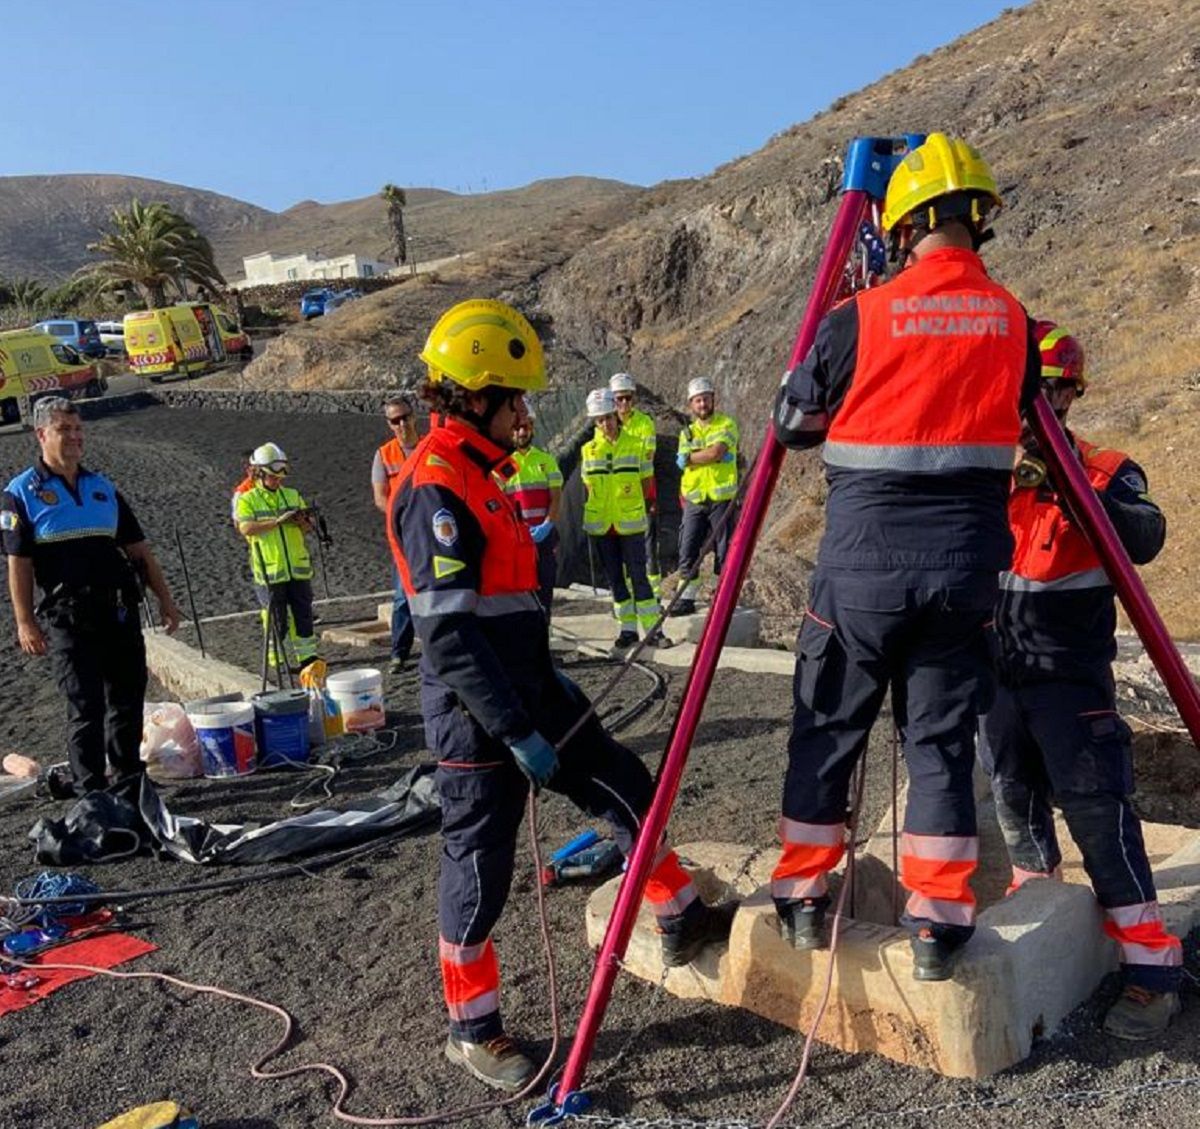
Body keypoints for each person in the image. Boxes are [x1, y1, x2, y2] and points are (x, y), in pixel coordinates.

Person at [388, 298, 732, 1092]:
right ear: (475, 397)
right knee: (481, 866)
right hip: (479, 718)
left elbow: (506, 609)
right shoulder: (433, 488)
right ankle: (471, 1029)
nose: (526, 414)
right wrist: (513, 727)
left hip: (532, 688)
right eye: (515, 398)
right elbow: (447, 636)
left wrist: (545, 684)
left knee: (622, 780)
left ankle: (679, 910)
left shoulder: (482, 476)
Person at [768, 133, 1043, 980]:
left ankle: (806, 896)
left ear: (900, 224)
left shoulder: (860, 318)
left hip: (860, 573)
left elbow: (793, 427)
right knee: (939, 745)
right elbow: (1024, 415)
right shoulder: (1018, 324)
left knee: (827, 730)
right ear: (977, 224)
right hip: (965, 576)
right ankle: (938, 921)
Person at [978, 320, 1181, 1038]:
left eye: (1052, 394)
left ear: (1070, 396)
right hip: (998, 672)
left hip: (1071, 678)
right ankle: (1041, 909)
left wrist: (1069, 487)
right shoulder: (990, 472)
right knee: (1012, 791)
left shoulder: (1105, 468)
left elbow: (1146, 535)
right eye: (1029, 394)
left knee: (1097, 806)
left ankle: (1152, 968)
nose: (1040, 408)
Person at [1, 397, 181, 796]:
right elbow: (19, 564)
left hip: (118, 610)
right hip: (68, 617)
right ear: (42, 434)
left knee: (128, 698)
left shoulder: (103, 488)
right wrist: (25, 621)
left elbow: (140, 551)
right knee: (85, 706)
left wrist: (166, 601)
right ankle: (91, 791)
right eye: (65, 430)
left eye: (78, 429)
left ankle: (131, 780)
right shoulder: (21, 493)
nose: (75, 438)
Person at [581, 388, 667, 655]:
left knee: (639, 576)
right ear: (594, 422)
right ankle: (627, 630)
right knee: (616, 580)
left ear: (616, 416)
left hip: (629, 523)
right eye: (599, 420)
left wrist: (631, 506)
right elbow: (588, 487)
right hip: (602, 526)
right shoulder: (588, 451)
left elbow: (645, 482)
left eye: (608, 417)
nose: (605, 423)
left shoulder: (635, 445)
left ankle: (653, 631)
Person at [234, 442, 319, 674]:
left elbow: (307, 529)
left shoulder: (292, 495)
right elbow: (245, 528)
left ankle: (307, 657)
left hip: (297, 568)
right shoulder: (247, 499)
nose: (277, 480)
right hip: (270, 570)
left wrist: (303, 521)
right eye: (272, 476)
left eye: (280, 476)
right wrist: (278, 522)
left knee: (303, 614)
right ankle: (277, 660)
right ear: (260, 473)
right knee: (277, 619)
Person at [671, 376, 739, 616]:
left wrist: (691, 459)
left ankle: (721, 598)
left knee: (725, 550)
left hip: (721, 499)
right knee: (687, 549)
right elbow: (710, 455)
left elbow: (717, 453)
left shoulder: (726, 425)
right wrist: (706, 455)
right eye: (698, 400)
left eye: (706, 399)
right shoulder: (686, 433)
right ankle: (686, 599)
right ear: (691, 404)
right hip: (695, 500)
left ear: (713, 400)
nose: (702, 404)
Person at [372, 392, 420, 674]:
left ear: (414, 416)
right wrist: (402, 515)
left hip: (432, 531)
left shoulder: (430, 446)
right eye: (395, 420)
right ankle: (399, 653)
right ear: (389, 424)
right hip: (403, 534)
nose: (402, 424)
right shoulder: (384, 454)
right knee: (403, 595)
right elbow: (380, 497)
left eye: (405, 417)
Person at [503, 408, 562, 619]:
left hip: (543, 539)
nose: (522, 432)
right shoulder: (503, 464)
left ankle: (544, 637)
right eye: (517, 427)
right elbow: (500, 503)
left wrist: (547, 525)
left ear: (532, 429)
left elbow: (556, 496)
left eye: (526, 427)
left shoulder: (546, 461)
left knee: (544, 591)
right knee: (521, 596)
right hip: (517, 540)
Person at [609, 372, 660, 595]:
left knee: (647, 541)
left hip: (643, 489)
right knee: (620, 545)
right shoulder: (606, 423)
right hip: (616, 495)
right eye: (619, 398)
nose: (623, 403)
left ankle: (653, 591)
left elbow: (646, 458)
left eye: (627, 398)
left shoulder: (644, 423)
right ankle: (629, 591)